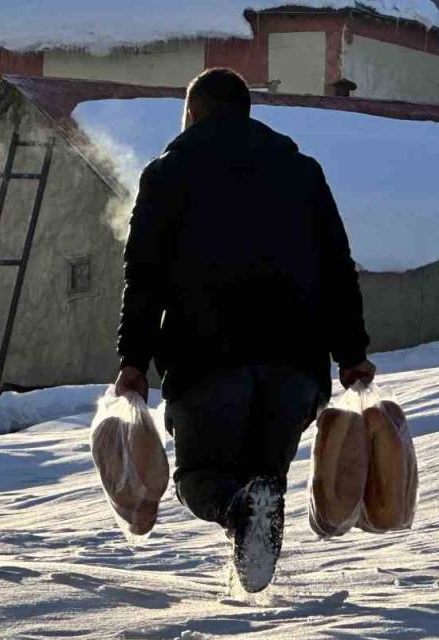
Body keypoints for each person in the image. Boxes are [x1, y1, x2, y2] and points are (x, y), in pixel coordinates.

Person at [114, 68, 375, 593]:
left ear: (191, 113)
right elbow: (336, 267)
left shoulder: (169, 172)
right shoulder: (302, 171)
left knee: (200, 479)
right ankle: (249, 599)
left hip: (207, 360)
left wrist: (133, 362)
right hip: (295, 366)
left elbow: (145, 277)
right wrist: (352, 353)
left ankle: (239, 542)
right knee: (265, 486)